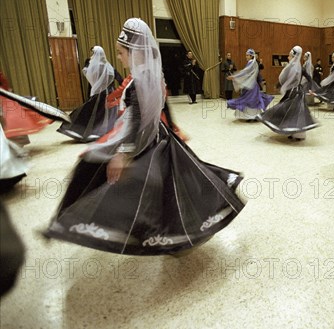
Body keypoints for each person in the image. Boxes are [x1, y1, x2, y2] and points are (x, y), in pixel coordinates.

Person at [45, 18, 246, 255]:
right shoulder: (152, 73)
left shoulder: (139, 79)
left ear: (135, 52)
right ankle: (172, 236)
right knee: (170, 188)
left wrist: (123, 152)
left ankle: (73, 223)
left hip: (145, 142)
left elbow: (137, 119)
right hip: (160, 137)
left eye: (121, 53)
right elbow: (157, 109)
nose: (118, 57)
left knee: (123, 179)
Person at [57, 46, 119, 142]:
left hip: (98, 93)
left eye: (93, 53)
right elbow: (117, 77)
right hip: (109, 92)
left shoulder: (93, 66)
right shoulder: (108, 66)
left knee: (93, 112)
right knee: (108, 114)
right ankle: (109, 131)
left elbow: (86, 73)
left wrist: (87, 64)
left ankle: (82, 130)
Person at [257, 46, 318, 141]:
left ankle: (297, 133)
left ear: (294, 56)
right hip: (296, 92)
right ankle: (294, 132)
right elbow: (287, 79)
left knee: (294, 112)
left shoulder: (295, 68)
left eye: (289, 56)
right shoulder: (295, 67)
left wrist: (310, 88)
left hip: (295, 93)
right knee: (293, 112)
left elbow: (307, 78)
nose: (288, 57)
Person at [226, 49, 274, 121]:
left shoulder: (251, 63)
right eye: (246, 55)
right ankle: (254, 116)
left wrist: (234, 77)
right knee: (252, 100)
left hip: (251, 86)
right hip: (253, 85)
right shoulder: (253, 63)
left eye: (247, 55)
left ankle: (250, 116)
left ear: (251, 56)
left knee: (249, 100)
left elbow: (245, 72)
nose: (246, 57)